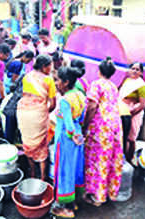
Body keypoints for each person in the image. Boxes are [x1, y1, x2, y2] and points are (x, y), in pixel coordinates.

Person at [82, 57, 123, 207]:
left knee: (97, 159)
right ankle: (109, 192)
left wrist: (85, 124)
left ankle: (98, 196)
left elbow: (92, 106)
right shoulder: (113, 86)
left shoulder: (96, 85)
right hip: (114, 125)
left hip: (100, 126)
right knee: (110, 157)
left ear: (99, 71)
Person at [51, 66, 86, 218]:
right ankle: (74, 202)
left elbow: (69, 125)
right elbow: (81, 119)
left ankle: (67, 208)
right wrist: (78, 136)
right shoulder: (79, 94)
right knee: (75, 168)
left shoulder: (65, 100)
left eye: (58, 80)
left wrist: (72, 135)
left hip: (67, 138)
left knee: (64, 170)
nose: (56, 83)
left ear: (65, 82)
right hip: (78, 136)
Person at [17, 55, 56, 180]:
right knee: (41, 146)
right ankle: (43, 178)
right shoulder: (49, 80)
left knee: (27, 142)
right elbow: (53, 104)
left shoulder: (27, 76)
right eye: (50, 65)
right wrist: (44, 112)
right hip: (38, 114)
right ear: (44, 67)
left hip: (23, 112)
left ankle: (32, 172)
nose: (51, 68)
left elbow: (25, 95)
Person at [118, 62, 145, 162]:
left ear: (141, 73)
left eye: (137, 69)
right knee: (122, 136)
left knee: (131, 139)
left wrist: (130, 114)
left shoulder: (142, 86)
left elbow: (142, 104)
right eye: (133, 68)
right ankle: (121, 158)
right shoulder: (127, 81)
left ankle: (129, 159)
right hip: (123, 110)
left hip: (133, 113)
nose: (134, 71)